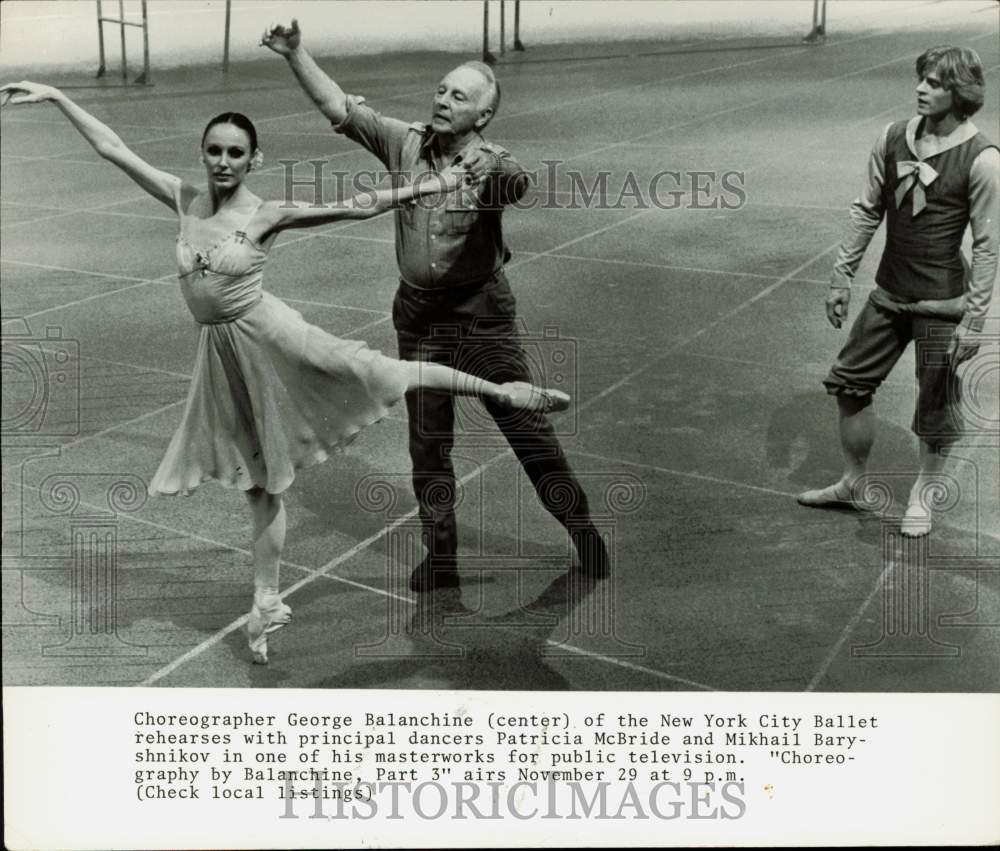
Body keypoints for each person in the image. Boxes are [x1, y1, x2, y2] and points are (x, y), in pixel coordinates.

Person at [0, 80, 571, 663]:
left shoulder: (267, 213)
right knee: (261, 486)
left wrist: (436, 183)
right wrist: (54, 95)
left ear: (254, 160)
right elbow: (113, 148)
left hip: (271, 336)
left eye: (235, 153)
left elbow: (357, 205)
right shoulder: (183, 198)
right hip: (222, 358)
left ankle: (505, 390)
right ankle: (266, 600)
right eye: (215, 150)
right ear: (203, 153)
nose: (223, 162)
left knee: (379, 370)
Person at [262, 20, 612, 593]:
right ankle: (442, 555)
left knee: (526, 430)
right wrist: (296, 54)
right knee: (427, 442)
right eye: (442, 90)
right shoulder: (405, 141)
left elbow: (517, 182)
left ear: (483, 117)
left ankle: (583, 531)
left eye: (460, 97)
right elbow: (341, 109)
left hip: (480, 315)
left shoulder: (489, 162)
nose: (444, 101)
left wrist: (491, 168)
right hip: (419, 317)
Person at [797, 46, 999, 536]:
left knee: (934, 405)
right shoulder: (890, 139)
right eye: (921, 79)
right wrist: (841, 277)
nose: (920, 88)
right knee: (849, 383)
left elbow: (989, 245)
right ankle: (853, 483)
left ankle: (922, 497)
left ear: (961, 94)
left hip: (942, 301)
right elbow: (867, 210)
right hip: (889, 292)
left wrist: (974, 320)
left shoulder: (983, 159)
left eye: (933, 83)